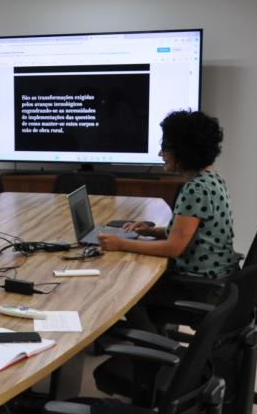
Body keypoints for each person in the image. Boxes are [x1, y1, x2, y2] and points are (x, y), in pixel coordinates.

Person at [98, 110, 240, 327]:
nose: (160, 153)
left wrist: (120, 244)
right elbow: (195, 232)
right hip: (216, 279)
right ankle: (152, 341)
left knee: (127, 289)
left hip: (199, 286)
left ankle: (150, 348)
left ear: (183, 151)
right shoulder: (212, 179)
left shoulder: (195, 189)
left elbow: (174, 248)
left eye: (165, 148)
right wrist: (151, 231)